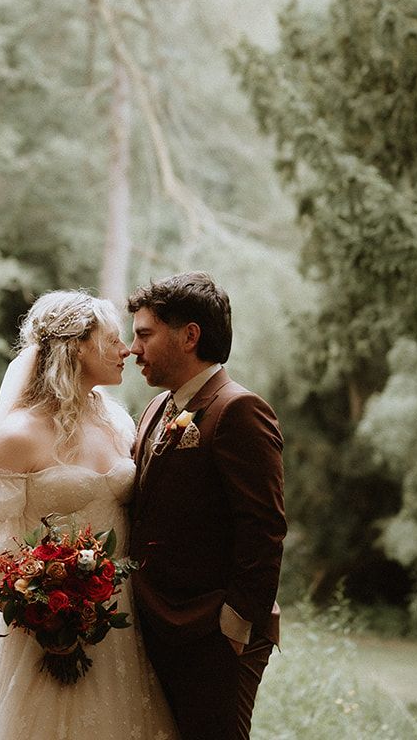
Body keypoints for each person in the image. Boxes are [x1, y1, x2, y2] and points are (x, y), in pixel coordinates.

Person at [0, 291, 177, 740]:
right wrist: (42, 620)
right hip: (52, 629)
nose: (126, 350)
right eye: (112, 340)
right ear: (78, 347)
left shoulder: (117, 421)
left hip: (125, 617)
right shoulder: (19, 435)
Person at [127, 272, 286, 740]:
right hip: (161, 624)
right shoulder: (157, 408)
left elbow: (264, 528)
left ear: (190, 336)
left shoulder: (239, 409)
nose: (133, 349)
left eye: (144, 335)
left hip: (212, 633)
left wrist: (234, 627)